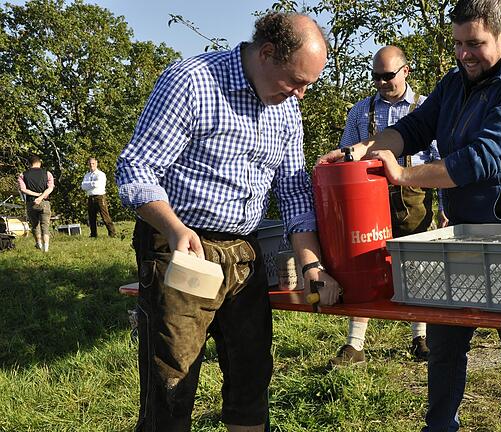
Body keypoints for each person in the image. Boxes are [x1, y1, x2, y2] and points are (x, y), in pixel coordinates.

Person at [318, 0, 501, 430]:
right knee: (445, 340)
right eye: (458, 44)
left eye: (475, 44)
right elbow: (411, 129)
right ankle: (440, 425)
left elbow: (482, 159)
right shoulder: (453, 84)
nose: (464, 54)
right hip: (462, 234)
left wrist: (404, 175)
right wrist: (361, 150)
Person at [116, 12, 341, 432]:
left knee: (252, 376)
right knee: (172, 381)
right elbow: (135, 170)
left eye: (309, 84)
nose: (302, 94)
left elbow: (293, 192)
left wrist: (311, 264)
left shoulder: (287, 108)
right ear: (267, 53)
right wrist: (173, 228)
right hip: (181, 250)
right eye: (295, 81)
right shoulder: (192, 82)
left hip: (245, 252)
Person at [330, 45, 447, 366]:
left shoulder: (426, 109)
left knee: (417, 267)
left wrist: (445, 207)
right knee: (365, 268)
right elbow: (345, 159)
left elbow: (442, 162)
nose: (381, 82)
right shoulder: (359, 111)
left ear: (405, 71)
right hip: (365, 201)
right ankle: (355, 345)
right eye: (376, 77)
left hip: (414, 198)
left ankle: (419, 337)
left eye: (388, 76)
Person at [17, 155, 55, 252]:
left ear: (29, 164)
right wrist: (41, 197)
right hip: (45, 202)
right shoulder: (47, 173)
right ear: (40, 162)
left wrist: (36, 195)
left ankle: (39, 244)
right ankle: (46, 248)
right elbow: (50, 188)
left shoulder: (23, 175)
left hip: (31, 203)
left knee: (35, 225)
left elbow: (23, 189)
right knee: (45, 225)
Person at [80, 157, 116, 238]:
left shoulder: (101, 174)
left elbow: (97, 184)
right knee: (91, 218)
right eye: (90, 164)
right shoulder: (87, 175)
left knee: (105, 216)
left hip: (99, 197)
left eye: (93, 163)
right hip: (90, 197)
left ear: (96, 163)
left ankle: (112, 233)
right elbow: (83, 186)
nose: (91, 165)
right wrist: (91, 184)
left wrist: (88, 184)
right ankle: (93, 235)